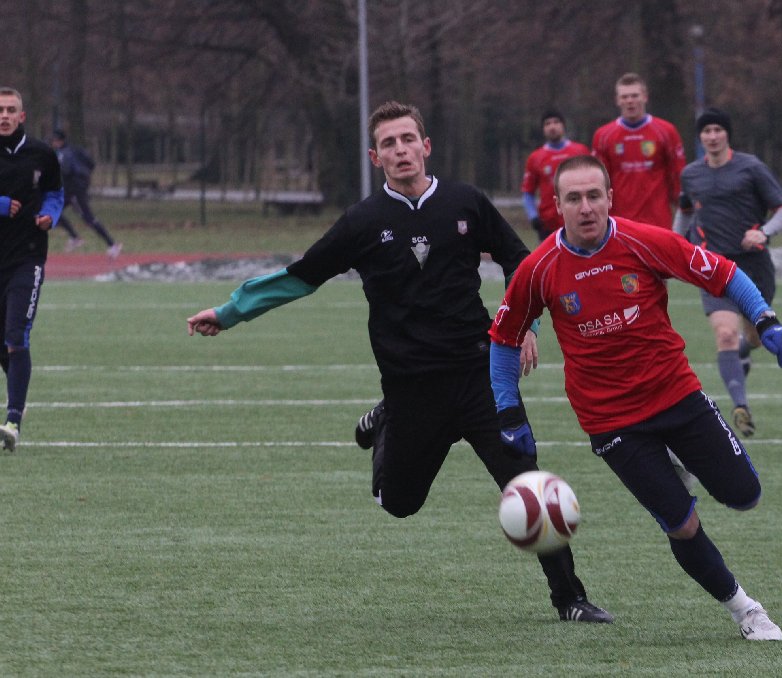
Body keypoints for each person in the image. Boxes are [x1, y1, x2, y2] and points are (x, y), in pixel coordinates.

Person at [187, 100, 612, 623]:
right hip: (411, 389)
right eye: (389, 143)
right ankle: (386, 419)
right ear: (376, 156)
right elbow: (303, 275)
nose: (401, 150)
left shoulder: (465, 202)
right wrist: (231, 312)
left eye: (408, 139)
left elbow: (521, 262)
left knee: (529, 486)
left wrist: (524, 325)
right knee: (398, 503)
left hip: (482, 378)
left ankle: (570, 599)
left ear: (425, 146)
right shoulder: (363, 221)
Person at [489, 154, 782, 641]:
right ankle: (746, 611)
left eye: (595, 195)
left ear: (610, 198)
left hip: (677, 396)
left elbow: (723, 274)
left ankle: (682, 459)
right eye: (574, 198)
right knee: (680, 523)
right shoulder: (539, 268)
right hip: (611, 422)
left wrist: (766, 320)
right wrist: (508, 408)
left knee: (746, 495)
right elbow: (504, 337)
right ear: (557, 206)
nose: (586, 207)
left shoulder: (645, 241)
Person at [678, 108, 782, 437]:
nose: (712, 136)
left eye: (718, 130)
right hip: (713, 267)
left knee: (753, 338)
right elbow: (685, 213)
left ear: (727, 134)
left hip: (754, 266)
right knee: (725, 335)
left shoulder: (751, 168)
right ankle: (740, 405)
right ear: (700, 137)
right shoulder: (691, 174)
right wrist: (674, 247)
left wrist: (765, 233)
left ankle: (744, 351)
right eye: (706, 131)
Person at [0, 87, 65, 452]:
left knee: (16, 334)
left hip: (27, 258)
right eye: (0, 110)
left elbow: (56, 193)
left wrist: (50, 216)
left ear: (22, 116)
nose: (4, 116)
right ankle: (17, 396)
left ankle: (13, 421)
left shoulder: (42, 154)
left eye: (11, 110)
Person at [591, 72, 686, 229]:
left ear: (645, 97)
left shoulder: (666, 131)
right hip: (619, 222)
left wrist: (682, 207)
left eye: (634, 96)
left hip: (658, 220)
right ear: (617, 100)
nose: (630, 101)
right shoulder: (603, 136)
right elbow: (598, 180)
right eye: (625, 97)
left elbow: (677, 175)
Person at [50, 130, 122, 258]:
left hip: (74, 191)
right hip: (72, 190)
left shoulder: (63, 153)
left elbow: (66, 170)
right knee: (52, 211)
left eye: (54, 140)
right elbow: (91, 164)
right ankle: (74, 237)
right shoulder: (75, 150)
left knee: (88, 219)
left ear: (59, 140)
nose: (53, 143)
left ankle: (112, 245)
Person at [521, 109, 589, 242]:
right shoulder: (535, 158)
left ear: (563, 125)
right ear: (543, 129)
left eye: (556, 122)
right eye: (547, 124)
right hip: (548, 224)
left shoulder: (580, 151)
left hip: (578, 219)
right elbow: (528, 192)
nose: (552, 127)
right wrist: (533, 216)